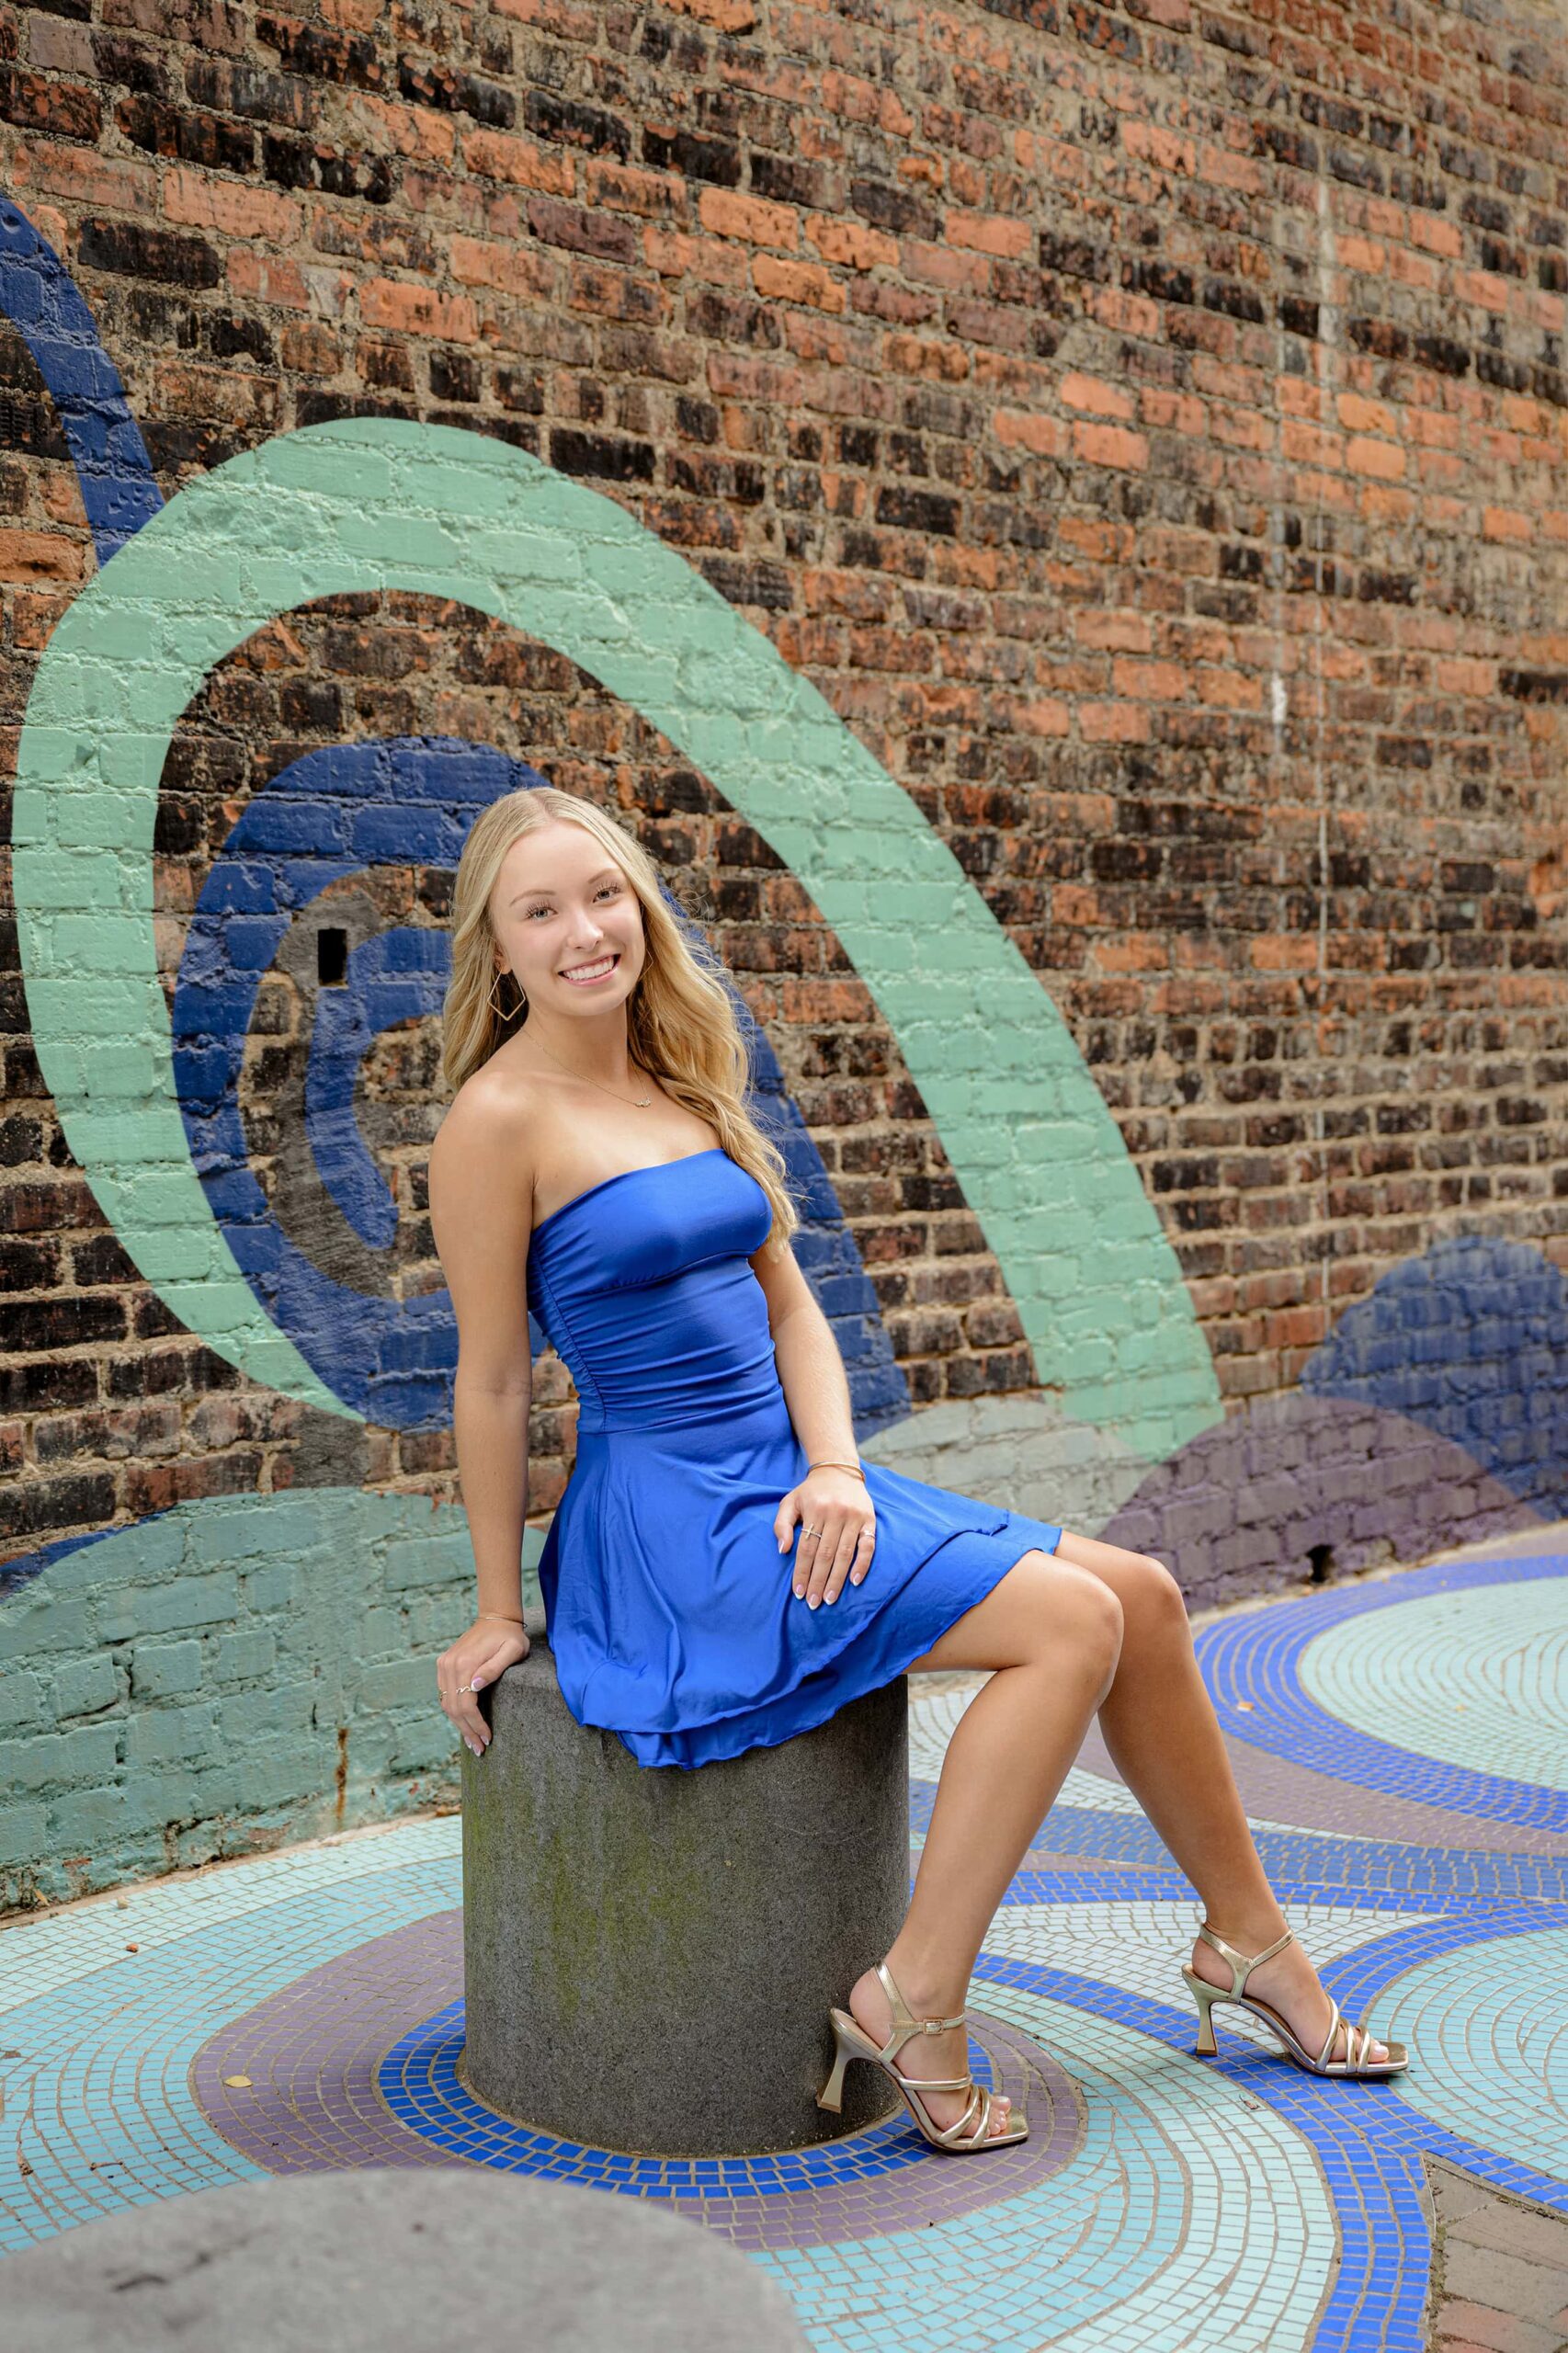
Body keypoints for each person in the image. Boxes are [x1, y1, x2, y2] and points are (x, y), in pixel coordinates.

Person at [427, 786, 1406, 2157]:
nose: (584, 931)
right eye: (541, 911)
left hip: (791, 1477)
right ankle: (915, 1998)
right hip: (671, 1520)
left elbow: (789, 1309)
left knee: (1149, 1595)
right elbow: (490, 1378)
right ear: (499, 946)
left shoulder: (677, 1073)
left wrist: (832, 1464)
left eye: (603, 895)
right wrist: (490, 1604)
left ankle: (1249, 1946)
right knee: (1073, 1622)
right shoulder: (497, 1119)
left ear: (637, 903)